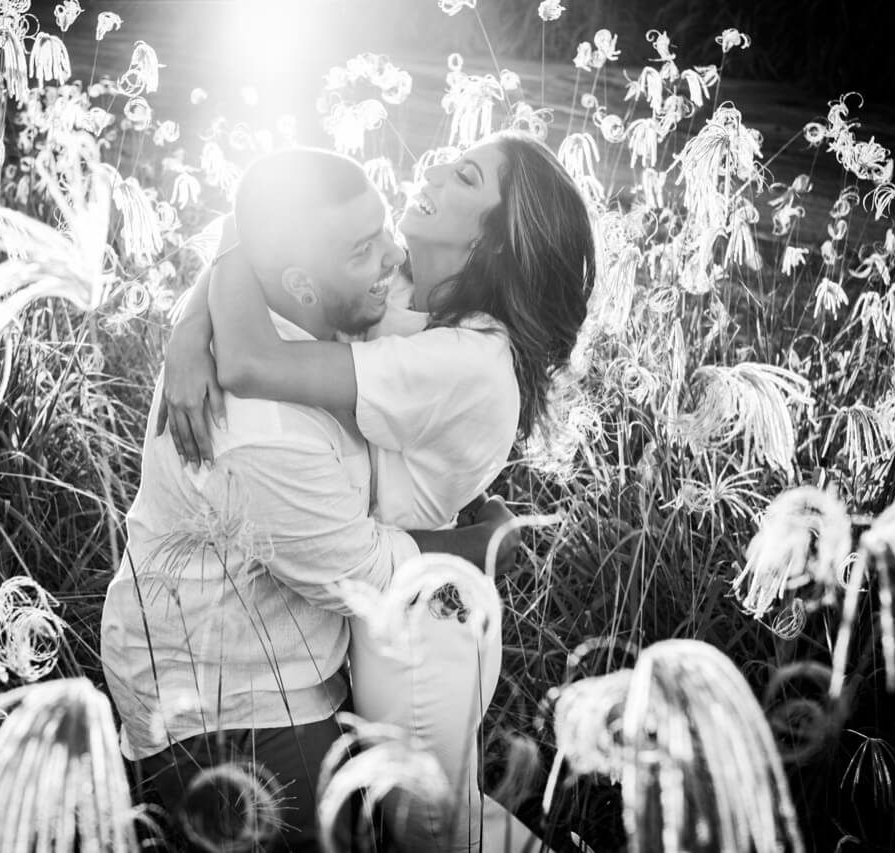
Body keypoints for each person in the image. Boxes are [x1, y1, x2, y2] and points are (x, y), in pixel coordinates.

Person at [162, 129, 597, 852]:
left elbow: (248, 361)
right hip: (373, 600)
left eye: (465, 177)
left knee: (438, 831)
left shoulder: (467, 360)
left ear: (493, 240)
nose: (434, 166)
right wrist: (188, 323)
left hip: (417, 639)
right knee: (424, 821)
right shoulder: (410, 295)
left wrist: (211, 308)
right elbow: (271, 228)